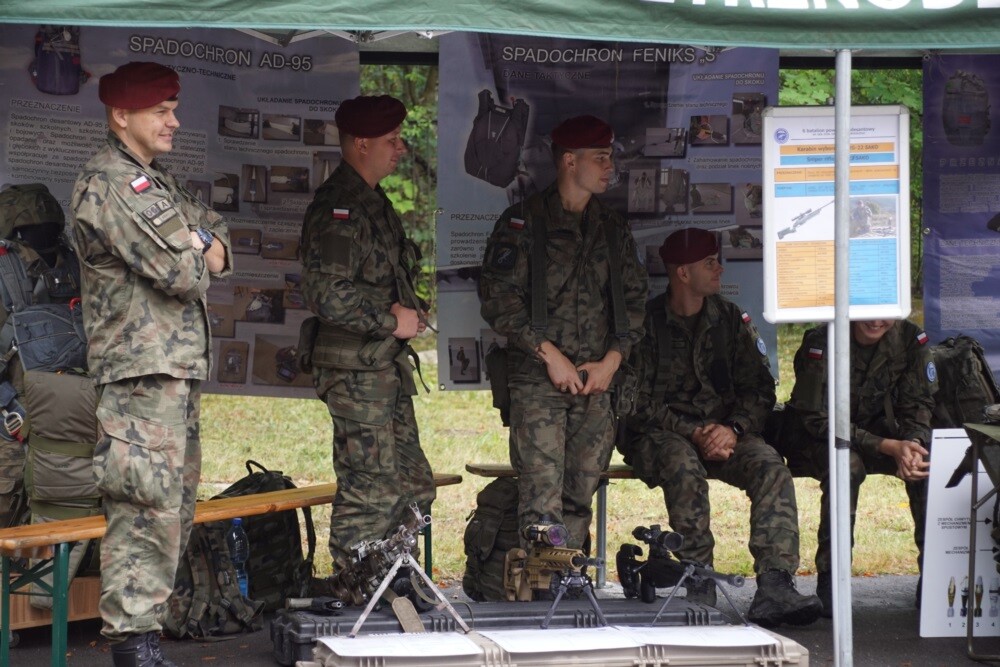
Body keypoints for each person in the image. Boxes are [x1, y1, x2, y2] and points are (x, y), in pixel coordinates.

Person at [70, 61, 231, 667]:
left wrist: (197, 239)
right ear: (122, 115)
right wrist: (196, 246)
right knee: (144, 512)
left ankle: (144, 639)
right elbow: (185, 272)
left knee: (172, 512)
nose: (174, 121)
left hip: (171, 372)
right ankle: (133, 648)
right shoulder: (112, 183)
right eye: (161, 111)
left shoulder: (153, 181)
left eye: (173, 108)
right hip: (140, 378)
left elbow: (219, 241)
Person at [622, 227, 822, 628]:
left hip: (726, 434)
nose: (719, 269)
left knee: (770, 467)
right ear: (682, 273)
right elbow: (635, 401)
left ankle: (775, 585)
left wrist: (733, 428)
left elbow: (760, 389)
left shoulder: (728, 320)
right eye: (709, 263)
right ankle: (700, 580)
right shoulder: (645, 325)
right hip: (661, 436)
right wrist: (693, 432)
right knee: (683, 467)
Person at [479, 115, 648, 550]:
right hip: (539, 380)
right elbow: (499, 300)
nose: (610, 166)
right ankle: (540, 599)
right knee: (540, 498)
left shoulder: (611, 228)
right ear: (569, 161)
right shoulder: (522, 223)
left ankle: (568, 590)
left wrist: (612, 362)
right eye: (601, 157)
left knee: (579, 496)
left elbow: (633, 301)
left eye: (610, 156)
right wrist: (549, 355)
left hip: (596, 382)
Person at [299, 95, 435, 571]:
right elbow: (326, 292)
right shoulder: (340, 208)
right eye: (391, 140)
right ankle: (355, 589)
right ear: (361, 144)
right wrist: (389, 320)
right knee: (371, 487)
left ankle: (393, 580)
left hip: (380, 365)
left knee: (414, 483)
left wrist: (410, 311)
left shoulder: (374, 202)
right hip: (356, 369)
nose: (400, 149)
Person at [779, 319, 936, 616]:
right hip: (818, 438)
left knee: (924, 464)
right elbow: (816, 418)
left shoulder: (910, 339)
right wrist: (887, 446)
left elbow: (919, 404)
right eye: (867, 312)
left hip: (882, 434)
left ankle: (933, 575)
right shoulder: (823, 339)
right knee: (847, 465)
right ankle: (832, 577)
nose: (876, 321)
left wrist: (912, 444)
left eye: (885, 314)